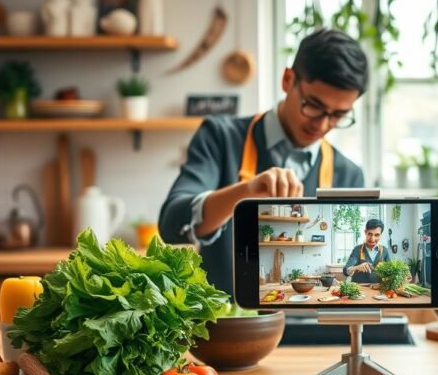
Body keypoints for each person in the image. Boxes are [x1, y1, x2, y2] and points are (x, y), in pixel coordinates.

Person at [158, 30, 368, 294]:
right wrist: (247, 192)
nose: (323, 124)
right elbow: (172, 224)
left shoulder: (348, 175)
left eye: (338, 115)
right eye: (313, 105)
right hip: (229, 328)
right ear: (287, 79)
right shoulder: (220, 137)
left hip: (312, 330)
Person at [343, 219, 392, 283]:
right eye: (370, 234)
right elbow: (346, 270)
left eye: (376, 235)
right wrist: (356, 268)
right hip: (359, 290)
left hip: (378, 291)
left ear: (381, 235)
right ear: (365, 232)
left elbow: (391, 271)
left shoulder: (384, 251)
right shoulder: (357, 250)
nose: (372, 239)